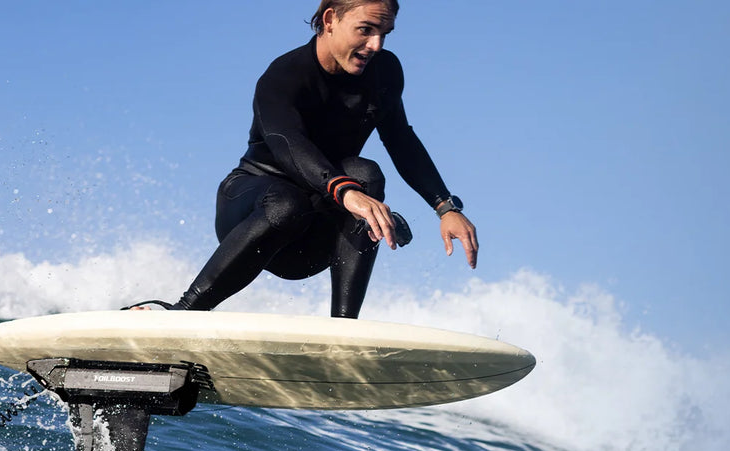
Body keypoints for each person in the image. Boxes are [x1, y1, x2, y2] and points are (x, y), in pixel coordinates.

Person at [134, 0, 477, 317]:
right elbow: (288, 143)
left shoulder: (384, 72)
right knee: (288, 202)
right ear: (330, 20)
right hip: (252, 218)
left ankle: (344, 331)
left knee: (366, 174)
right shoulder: (284, 76)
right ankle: (184, 310)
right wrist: (345, 191)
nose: (376, 45)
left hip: (311, 241)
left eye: (384, 34)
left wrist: (445, 207)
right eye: (365, 30)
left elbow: (401, 140)